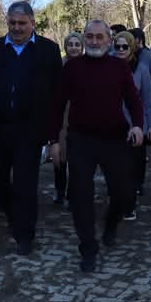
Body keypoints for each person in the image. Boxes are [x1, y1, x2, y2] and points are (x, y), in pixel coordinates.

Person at [0, 1, 63, 255]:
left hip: (30, 128)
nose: (17, 28)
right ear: (6, 22)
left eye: (22, 23)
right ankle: (11, 213)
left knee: (26, 183)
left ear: (32, 23)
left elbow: (57, 94)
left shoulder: (48, 51)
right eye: (13, 23)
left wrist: (55, 133)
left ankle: (25, 234)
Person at [48, 20, 144, 273]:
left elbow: (134, 100)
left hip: (114, 139)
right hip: (81, 140)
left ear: (108, 41)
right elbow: (57, 106)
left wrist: (137, 125)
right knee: (80, 194)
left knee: (124, 194)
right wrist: (54, 141)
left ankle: (111, 224)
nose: (94, 41)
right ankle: (88, 246)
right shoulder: (72, 69)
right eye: (89, 37)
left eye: (99, 37)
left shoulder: (118, 67)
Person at [114, 31, 151, 219]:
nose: (121, 50)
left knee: (132, 166)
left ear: (131, 47)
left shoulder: (141, 68)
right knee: (115, 166)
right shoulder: (108, 66)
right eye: (118, 46)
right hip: (112, 124)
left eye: (125, 46)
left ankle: (129, 203)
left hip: (135, 124)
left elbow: (148, 100)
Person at [52, 32, 85, 208]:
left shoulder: (88, 65)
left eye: (77, 44)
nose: (73, 47)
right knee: (60, 157)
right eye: (70, 44)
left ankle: (74, 193)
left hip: (82, 113)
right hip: (62, 114)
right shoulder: (59, 65)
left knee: (78, 158)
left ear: (82, 47)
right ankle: (59, 190)